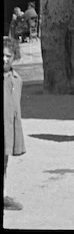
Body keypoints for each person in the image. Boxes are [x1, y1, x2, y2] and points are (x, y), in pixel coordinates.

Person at [3, 36, 26, 211]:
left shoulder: (17, 79)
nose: (4, 59)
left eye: (8, 56)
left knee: (5, 162)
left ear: (14, 57)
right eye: (2, 55)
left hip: (8, 129)